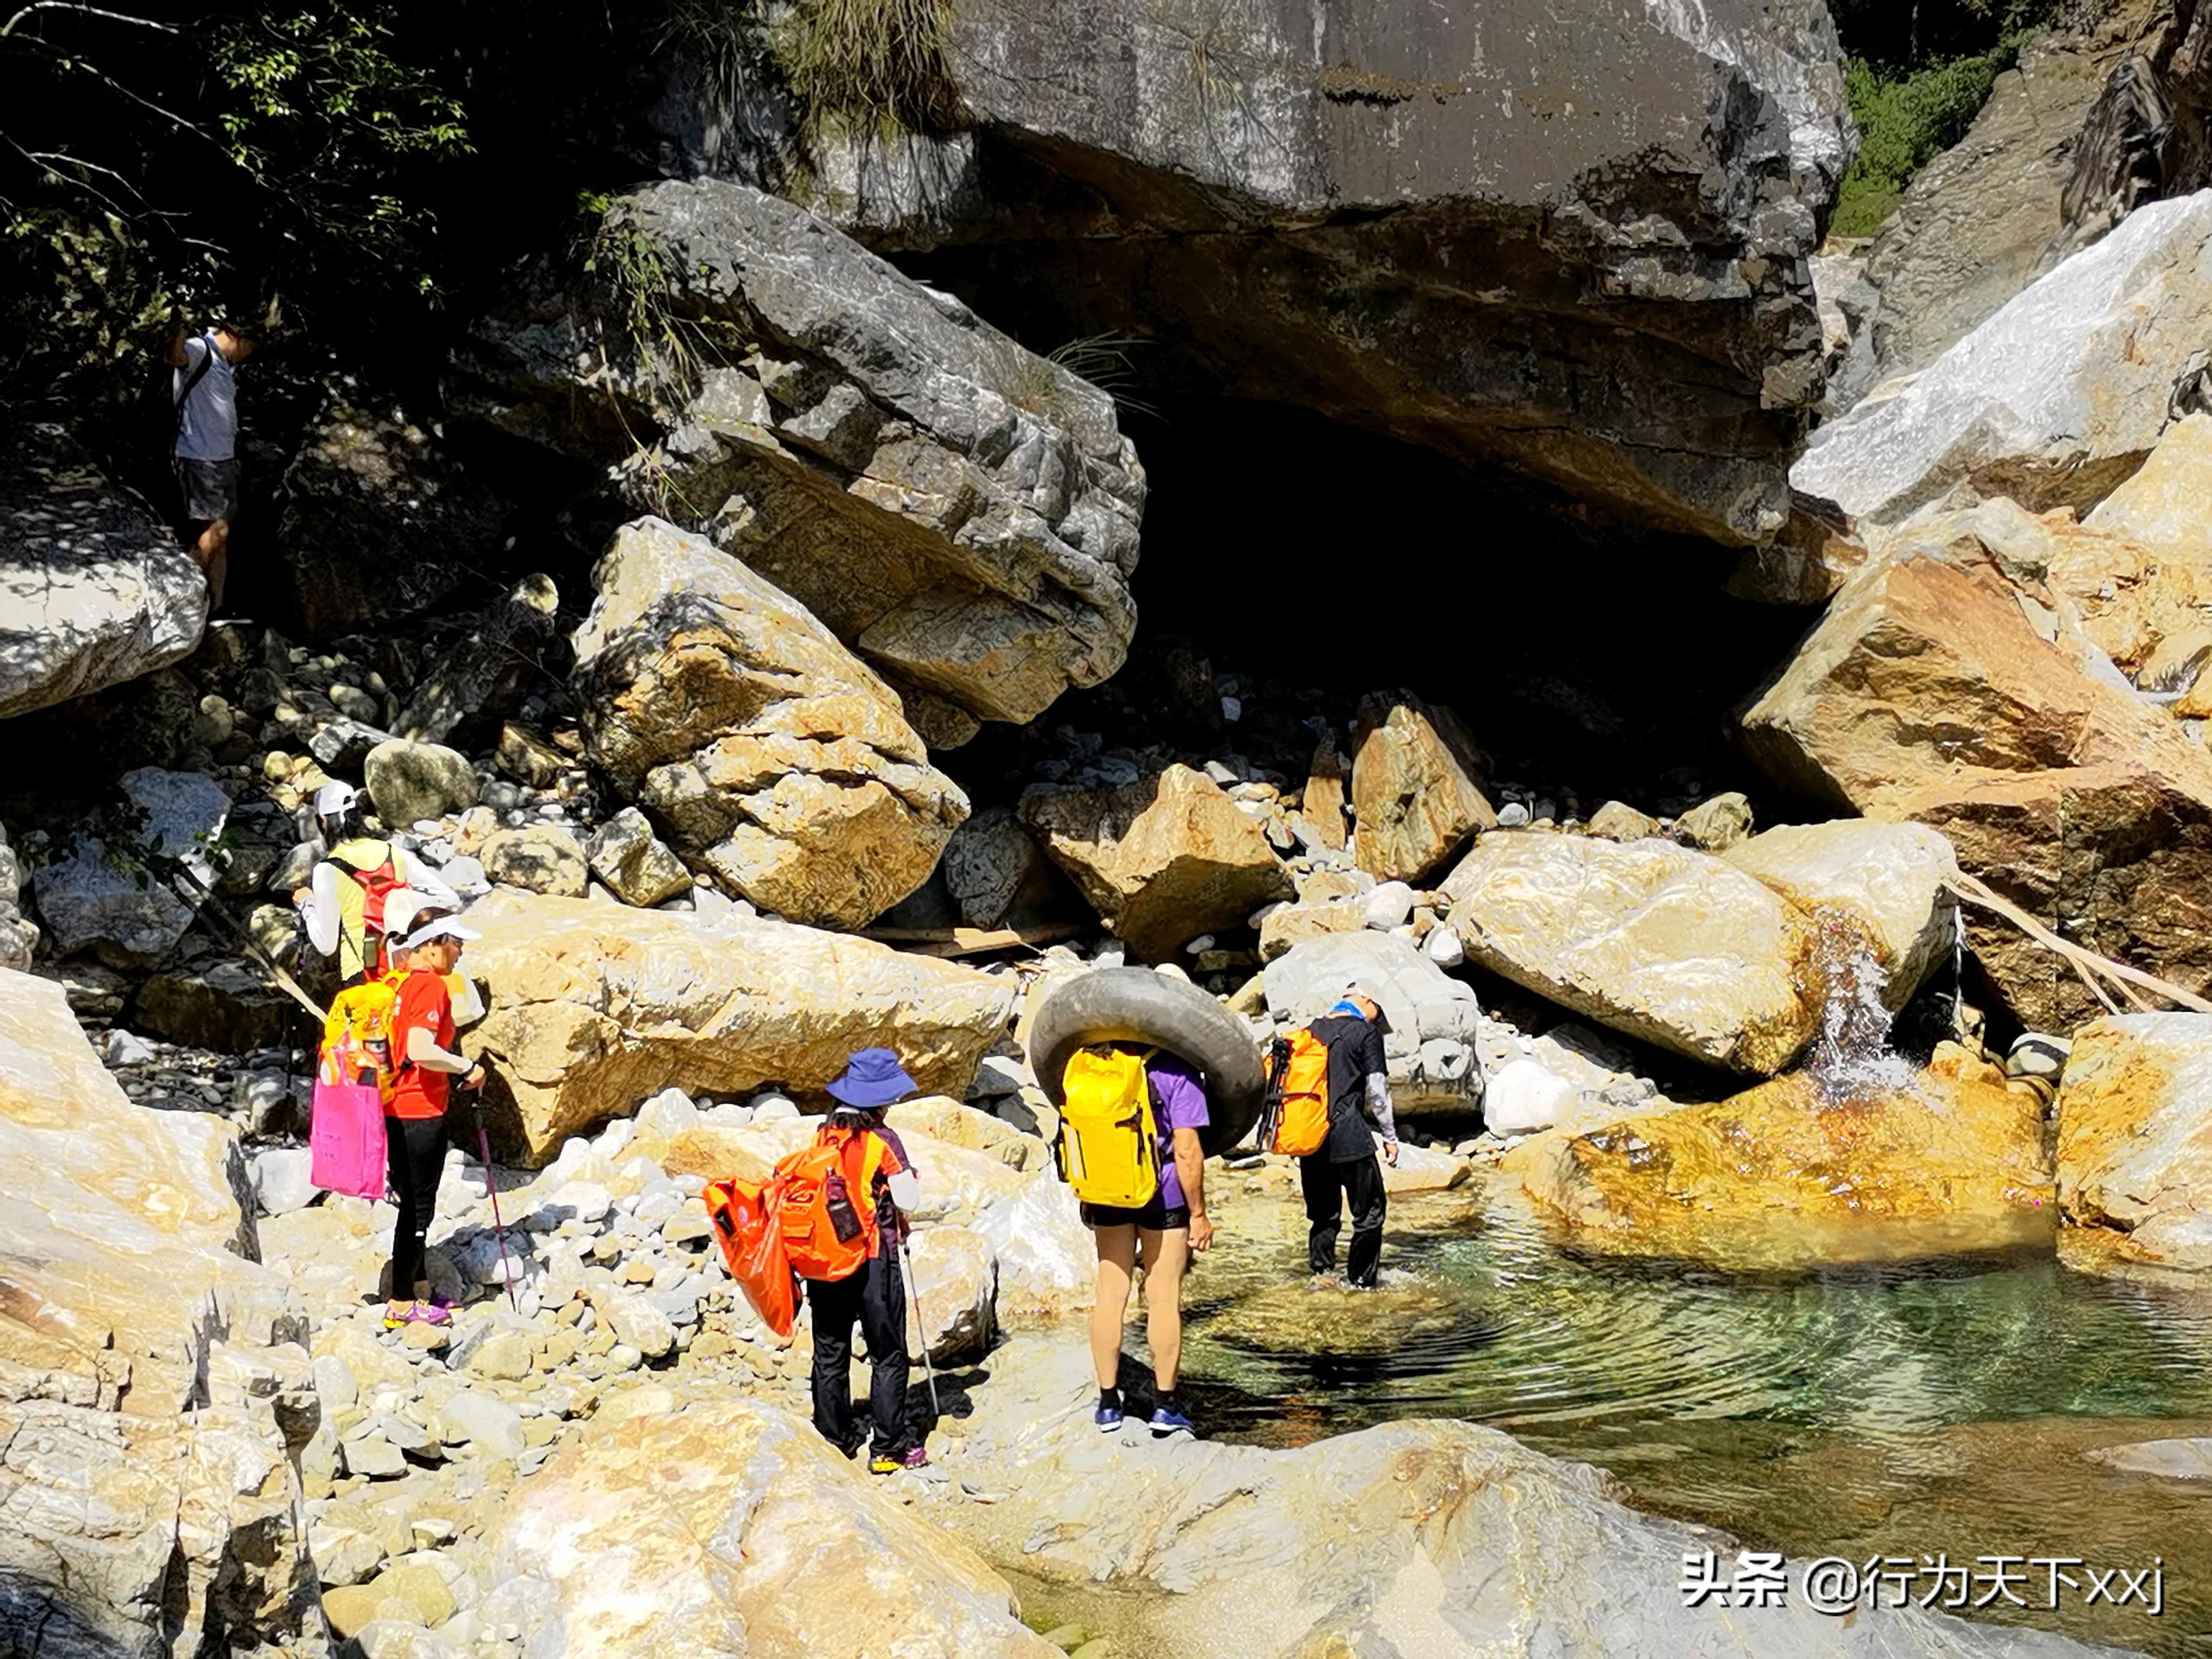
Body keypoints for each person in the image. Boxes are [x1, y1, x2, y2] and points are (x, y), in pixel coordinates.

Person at [806, 1048, 927, 1474]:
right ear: (879, 1099)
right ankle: (889, 1450)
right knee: (888, 1353)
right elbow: (909, 1200)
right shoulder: (883, 1141)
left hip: (825, 1260)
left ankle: (833, 1440)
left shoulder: (823, 1135)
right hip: (874, 1259)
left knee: (831, 1349)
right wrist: (907, 1183)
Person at [1084, 1047, 1211, 1438]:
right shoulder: (1179, 1073)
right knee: (1162, 1294)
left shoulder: (1093, 1066)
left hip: (1107, 1191)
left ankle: (1108, 1404)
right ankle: (1165, 1406)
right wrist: (1199, 1214)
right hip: (1164, 1194)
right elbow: (1188, 1152)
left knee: (1110, 1293)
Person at [382, 914, 485, 1328]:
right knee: (418, 1209)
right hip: (421, 1111)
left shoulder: (402, 984)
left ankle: (419, 1287)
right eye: (456, 942)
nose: (461, 951)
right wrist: (466, 1067)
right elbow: (420, 1049)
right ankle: (403, 1303)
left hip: (394, 1107)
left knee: (410, 1203)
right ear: (432, 945)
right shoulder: (430, 986)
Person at [293, 782, 458, 986]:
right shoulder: (395, 852)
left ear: (323, 821)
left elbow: (326, 945)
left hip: (362, 976)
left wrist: (306, 905)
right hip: (406, 970)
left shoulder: (327, 870)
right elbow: (450, 900)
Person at [1300, 983, 1400, 1290]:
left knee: (1323, 1214)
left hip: (1311, 1136)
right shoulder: (1366, 1034)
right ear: (1368, 1001)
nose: (1376, 1022)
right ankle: (1360, 1282)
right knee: (1370, 1213)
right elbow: (1377, 1091)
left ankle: (1322, 1275)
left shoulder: (1310, 1032)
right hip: (1351, 1135)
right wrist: (1390, 1136)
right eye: (1378, 1014)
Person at [166, 315, 254, 609]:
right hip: (199, 456)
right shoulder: (200, 349)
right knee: (218, 530)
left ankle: (217, 606)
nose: (250, 352)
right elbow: (174, 357)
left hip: (222, 458)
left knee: (221, 537)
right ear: (234, 335)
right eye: (250, 345)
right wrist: (180, 324)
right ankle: (178, 586)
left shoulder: (223, 366)